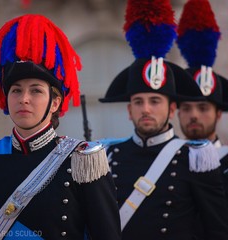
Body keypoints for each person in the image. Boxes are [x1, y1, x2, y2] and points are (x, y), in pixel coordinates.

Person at [98, 0, 228, 239]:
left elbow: (216, 230)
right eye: (138, 102)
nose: (146, 109)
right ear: (129, 110)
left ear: (171, 110)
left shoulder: (196, 158)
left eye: (155, 101)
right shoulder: (108, 155)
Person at [0, 14, 121, 240]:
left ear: (55, 102)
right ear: (7, 99)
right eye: (16, 90)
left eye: (36, 90)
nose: (24, 99)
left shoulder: (82, 160)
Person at [176, 0, 228, 199]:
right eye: (187, 108)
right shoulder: (169, 162)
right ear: (177, 112)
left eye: (203, 108)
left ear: (219, 113)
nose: (194, 115)